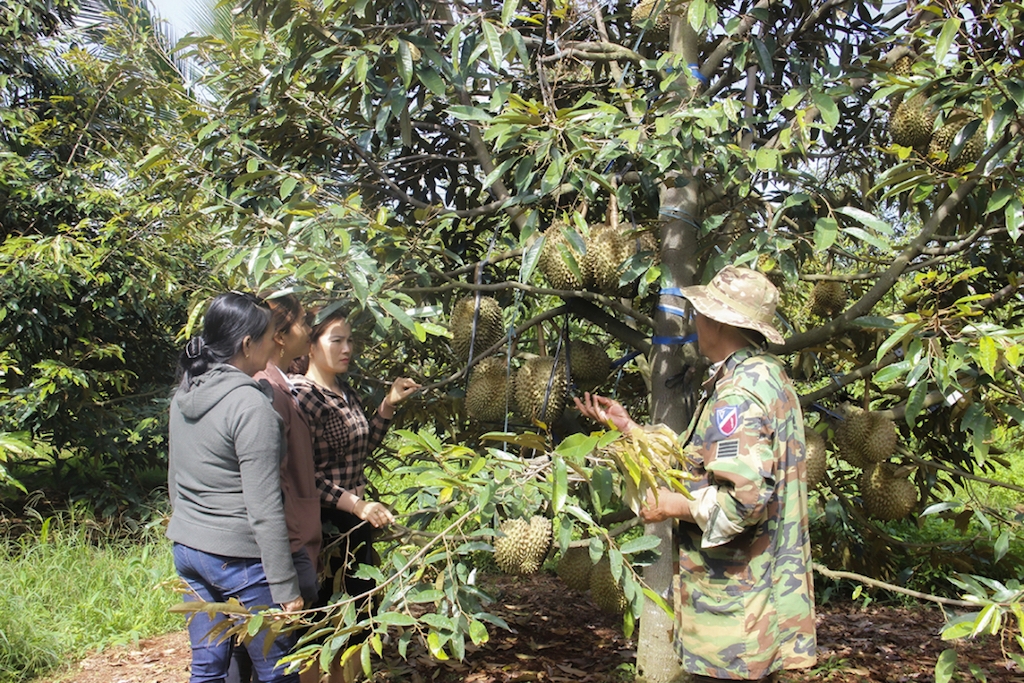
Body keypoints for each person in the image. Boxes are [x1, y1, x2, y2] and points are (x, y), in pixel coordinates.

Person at [575, 265, 816, 683]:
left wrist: (673, 505)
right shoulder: (766, 376)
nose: (695, 321)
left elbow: (744, 502)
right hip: (758, 606)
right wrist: (630, 430)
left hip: (735, 617)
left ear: (719, 323)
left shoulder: (737, 395)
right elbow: (704, 463)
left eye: (701, 313)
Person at [167, 291, 303, 683]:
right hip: (238, 558)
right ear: (247, 344)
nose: (276, 343)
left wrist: (190, 527)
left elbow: (175, 478)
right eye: (270, 336)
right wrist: (284, 585)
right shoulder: (250, 407)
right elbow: (264, 507)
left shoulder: (186, 392)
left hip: (188, 549)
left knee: (208, 664)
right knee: (277, 670)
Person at [291, 306, 420, 609]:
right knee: (325, 609)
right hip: (324, 522)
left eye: (349, 341)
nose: (347, 349)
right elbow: (304, 476)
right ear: (310, 345)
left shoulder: (346, 391)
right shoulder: (301, 396)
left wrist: (388, 404)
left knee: (361, 607)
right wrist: (356, 504)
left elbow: (358, 451)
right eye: (336, 341)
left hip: (356, 517)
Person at [229, 293, 320, 683]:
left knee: (251, 653)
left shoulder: (280, 381)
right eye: (304, 322)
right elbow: (270, 479)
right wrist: (291, 547)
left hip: (289, 533)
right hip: (284, 539)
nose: (311, 330)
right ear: (279, 336)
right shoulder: (268, 390)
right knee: (267, 657)